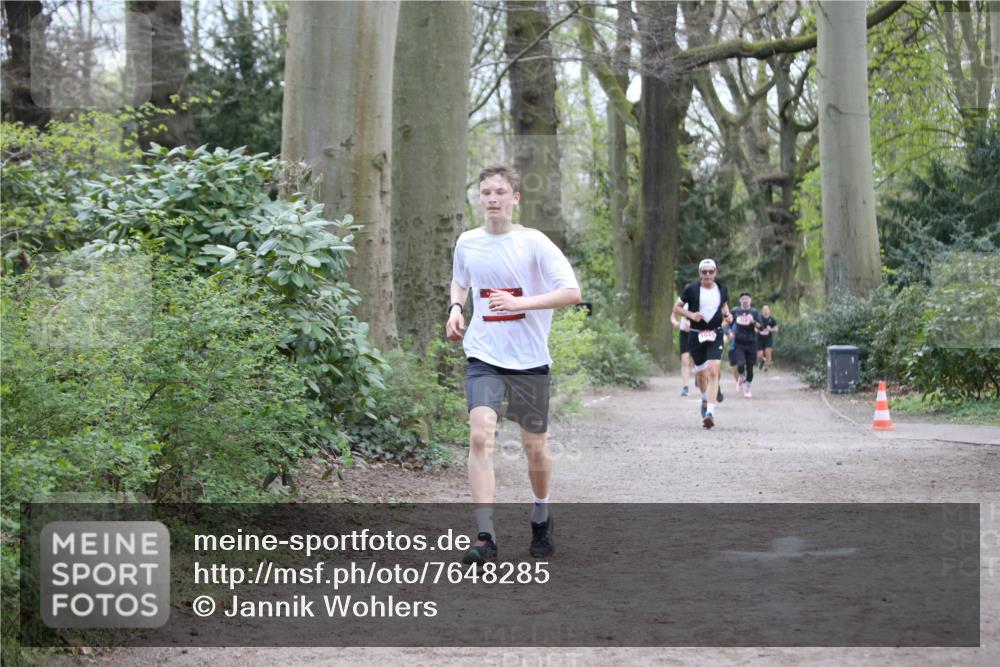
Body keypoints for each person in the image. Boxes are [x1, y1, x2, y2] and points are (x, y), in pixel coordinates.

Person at [446, 165, 581, 565]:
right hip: (484, 356)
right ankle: (485, 536)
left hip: (529, 360)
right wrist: (456, 307)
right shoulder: (468, 242)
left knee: (534, 447)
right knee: (480, 436)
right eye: (485, 192)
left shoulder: (534, 243)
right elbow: (461, 280)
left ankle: (541, 515)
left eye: (500, 192)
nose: (491, 199)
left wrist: (521, 303)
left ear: (515, 198)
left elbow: (571, 292)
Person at [672, 259, 731, 429]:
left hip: (716, 334)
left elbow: (724, 305)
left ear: (715, 273)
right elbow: (677, 308)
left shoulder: (722, 289)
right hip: (696, 335)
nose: (707, 275)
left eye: (710, 272)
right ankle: (705, 399)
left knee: (713, 370)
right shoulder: (691, 289)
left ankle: (710, 413)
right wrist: (691, 315)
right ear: (700, 274)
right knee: (700, 374)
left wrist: (727, 315)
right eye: (704, 272)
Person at [730, 291, 763, 398]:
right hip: (739, 342)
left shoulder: (754, 312)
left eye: (747, 298)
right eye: (743, 298)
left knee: (750, 368)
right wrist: (729, 332)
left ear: (750, 300)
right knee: (740, 364)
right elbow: (728, 322)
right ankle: (741, 376)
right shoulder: (735, 311)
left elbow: (761, 327)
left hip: (751, 343)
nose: (745, 300)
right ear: (740, 300)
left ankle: (748, 388)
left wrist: (753, 321)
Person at [670, 309, 693, 396]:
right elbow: (673, 315)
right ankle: (685, 387)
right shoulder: (682, 301)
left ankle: (699, 375)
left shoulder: (700, 297)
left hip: (696, 332)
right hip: (684, 333)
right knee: (685, 360)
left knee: (697, 359)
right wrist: (675, 322)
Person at [757, 305, 779, 371]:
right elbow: (754, 327)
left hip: (768, 339)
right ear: (762, 311)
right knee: (759, 356)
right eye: (764, 310)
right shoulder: (759, 318)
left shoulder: (772, 319)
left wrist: (771, 329)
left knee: (768, 353)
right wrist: (757, 330)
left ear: (769, 311)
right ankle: (763, 361)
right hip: (759, 339)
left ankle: (766, 366)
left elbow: (776, 329)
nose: (765, 311)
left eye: (767, 310)